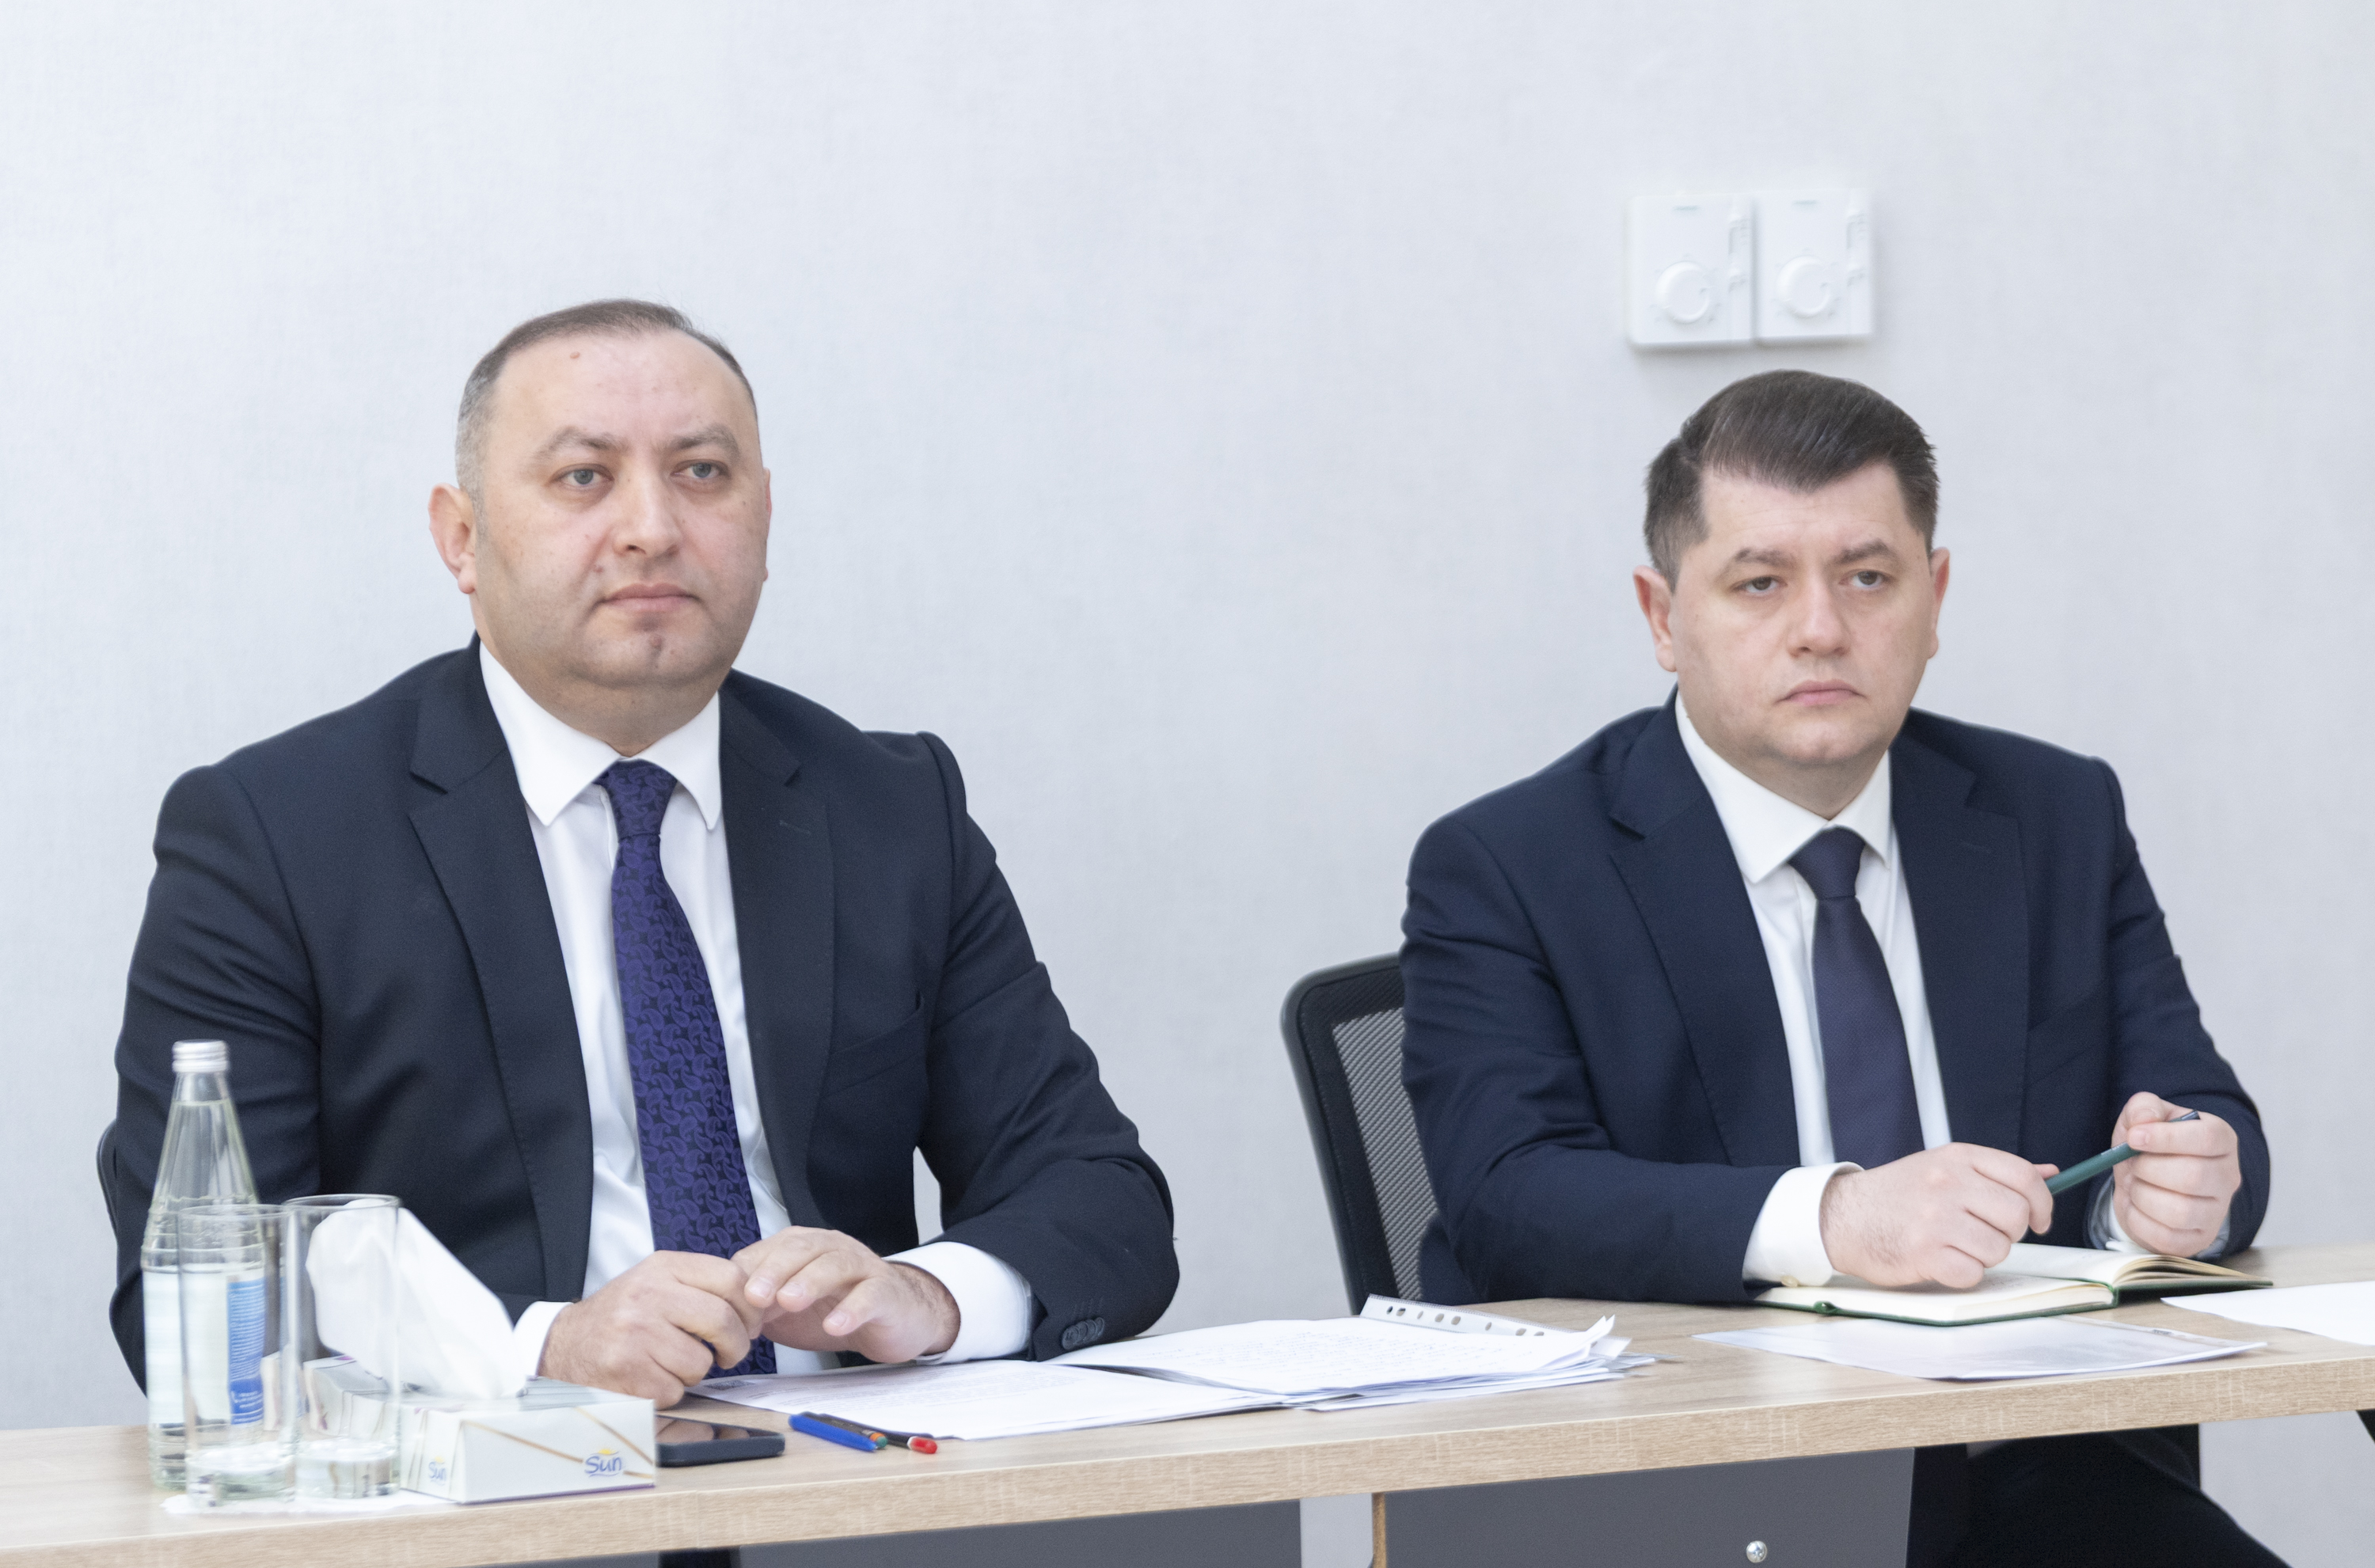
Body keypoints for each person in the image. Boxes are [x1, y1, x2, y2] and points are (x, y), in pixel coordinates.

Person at [106, 300, 1176, 1408]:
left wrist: (928, 1296)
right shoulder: (276, 837)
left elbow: (1100, 1197)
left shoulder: (891, 808)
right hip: (499, 1476)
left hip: (845, 1467)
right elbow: (197, 1298)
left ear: (765, 517)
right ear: (462, 538)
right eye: (584, 478)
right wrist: (542, 1349)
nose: (652, 529)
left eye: (702, 473)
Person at [1398, 370, 2278, 1566]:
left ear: (1935, 597)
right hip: (1677, 1492)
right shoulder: (1510, 864)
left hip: (2032, 1473)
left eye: (1867, 577)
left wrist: (2173, 1194)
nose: (1820, 628)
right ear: (1662, 616)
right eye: (1759, 583)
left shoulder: (2055, 815)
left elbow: (2201, 1109)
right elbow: (1508, 1197)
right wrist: (1836, 1218)